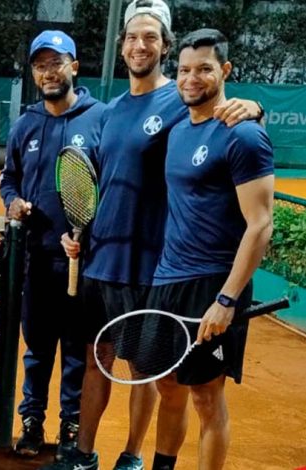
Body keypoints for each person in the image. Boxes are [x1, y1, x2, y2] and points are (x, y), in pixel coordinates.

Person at [45, 1, 264, 469]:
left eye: (150, 37)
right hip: (103, 260)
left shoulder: (180, 100)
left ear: (165, 45)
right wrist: (79, 234)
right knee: (100, 359)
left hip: (155, 267)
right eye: (131, 37)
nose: (139, 45)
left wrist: (256, 107)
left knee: (152, 372)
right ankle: (83, 456)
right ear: (121, 46)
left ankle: (133, 457)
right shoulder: (111, 111)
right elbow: (100, 182)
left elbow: (226, 124)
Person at [147, 28, 274, 470]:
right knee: (167, 384)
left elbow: (260, 224)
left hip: (213, 283)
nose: (191, 78)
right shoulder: (178, 130)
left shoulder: (244, 136)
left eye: (203, 69)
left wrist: (226, 300)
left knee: (205, 395)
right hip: (168, 279)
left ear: (225, 71)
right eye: (184, 70)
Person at [0, 30, 104, 459]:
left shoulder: (101, 119)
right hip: (37, 261)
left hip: (86, 263)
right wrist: (13, 202)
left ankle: (71, 427)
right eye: (40, 66)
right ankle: (31, 422)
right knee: (38, 350)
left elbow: (110, 184)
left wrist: (88, 237)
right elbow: (9, 178)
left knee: (77, 351)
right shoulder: (24, 125)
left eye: (56, 63)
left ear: (74, 67)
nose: (48, 72)